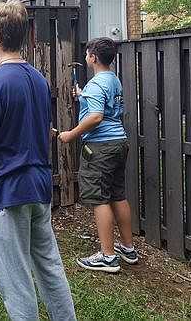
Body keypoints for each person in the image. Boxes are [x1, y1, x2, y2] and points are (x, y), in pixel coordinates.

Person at [0, 0, 76, 321]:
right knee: (49, 265)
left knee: (14, 278)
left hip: (9, 191)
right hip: (39, 187)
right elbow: (43, 129)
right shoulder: (39, 80)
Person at [58, 36, 138, 274]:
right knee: (117, 194)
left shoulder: (96, 84)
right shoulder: (113, 80)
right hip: (118, 143)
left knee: (99, 199)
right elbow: (104, 107)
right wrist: (83, 95)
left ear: (93, 57)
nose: (85, 57)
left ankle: (108, 256)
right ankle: (127, 247)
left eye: (86, 54)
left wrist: (71, 134)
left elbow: (96, 117)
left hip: (100, 147)